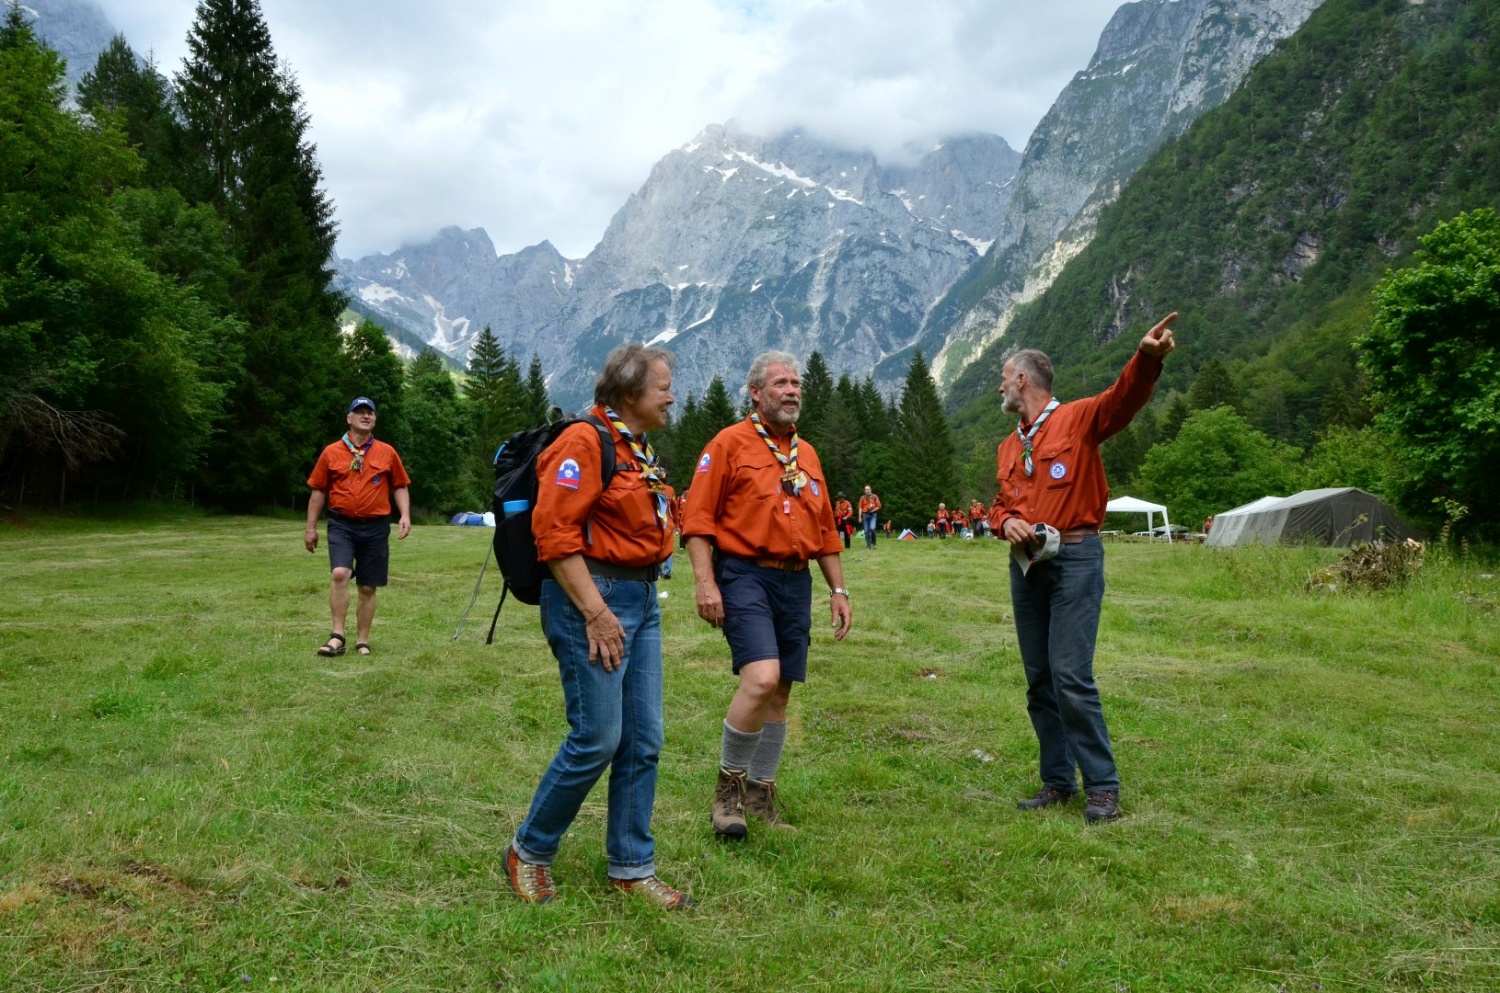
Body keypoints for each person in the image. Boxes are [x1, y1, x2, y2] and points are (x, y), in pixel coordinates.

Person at [505, 344, 693, 910]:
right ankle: (529, 851)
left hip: (639, 595)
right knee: (597, 738)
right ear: (630, 393)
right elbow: (555, 535)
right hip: (591, 598)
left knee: (643, 740)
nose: (672, 396)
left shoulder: (634, 447)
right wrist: (595, 611)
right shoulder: (583, 442)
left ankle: (632, 868)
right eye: (663, 387)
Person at [992, 313, 1177, 823]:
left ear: (1023, 379)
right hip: (1027, 566)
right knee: (1039, 679)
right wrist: (1005, 521)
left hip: (1075, 558)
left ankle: (1101, 787)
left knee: (1070, 675)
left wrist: (1146, 358)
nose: (1001, 386)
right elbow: (1000, 502)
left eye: (1004, 378)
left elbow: (1123, 400)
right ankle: (1058, 781)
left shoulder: (1078, 419)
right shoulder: (1010, 446)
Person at [682, 351, 852, 839]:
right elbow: (697, 520)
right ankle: (727, 794)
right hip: (745, 575)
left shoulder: (809, 454)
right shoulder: (728, 444)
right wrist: (704, 581)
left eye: (797, 382)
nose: (792, 390)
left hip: (795, 579)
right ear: (755, 392)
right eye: (780, 382)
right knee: (760, 678)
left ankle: (761, 796)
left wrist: (837, 588)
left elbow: (825, 531)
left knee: (780, 692)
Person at [305, 397, 411, 657]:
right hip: (342, 524)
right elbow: (319, 490)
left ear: (374, 419)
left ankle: (362, 640)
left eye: (370, 413)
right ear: (349, 418)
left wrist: (405, 515)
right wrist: (310, 528)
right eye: (360, 412)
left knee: (367, 586)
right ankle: (337, 635)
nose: (366, 416)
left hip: (375, 527)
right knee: (340, 573)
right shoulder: (331, 452)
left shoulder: (387, 452)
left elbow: (399, 485)